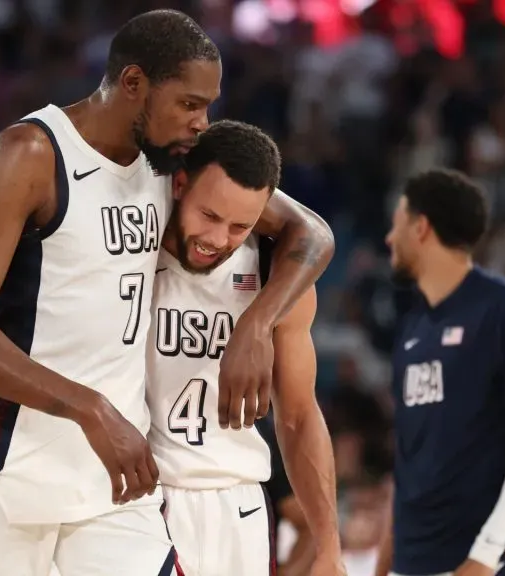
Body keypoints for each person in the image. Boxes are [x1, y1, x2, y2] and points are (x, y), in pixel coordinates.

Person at [0, 9, 333, 575]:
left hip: (113, 487)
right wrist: (89, 409)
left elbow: (312, 233)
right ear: (134, 85)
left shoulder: (171, 165)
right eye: (189, 104)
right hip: (4, 475)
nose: (202, 123)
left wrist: (255, 324)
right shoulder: (31, 154)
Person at [145, 120, 344, 576]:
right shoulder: (133, 250)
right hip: (143, 501)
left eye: (239, 226)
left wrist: (327, 547)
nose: (217, 240)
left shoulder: (274, 270)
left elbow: (298, 414)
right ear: (179, 187)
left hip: (240, 505)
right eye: (209, 216)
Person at [374, 168, 505, 576]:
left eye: (397, 225)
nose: (390, 239)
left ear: (421, 228)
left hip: (485, 560)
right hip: (415, 561)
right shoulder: (412, 328)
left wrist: (486, 553)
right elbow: (408, 463)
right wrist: (384, 564)